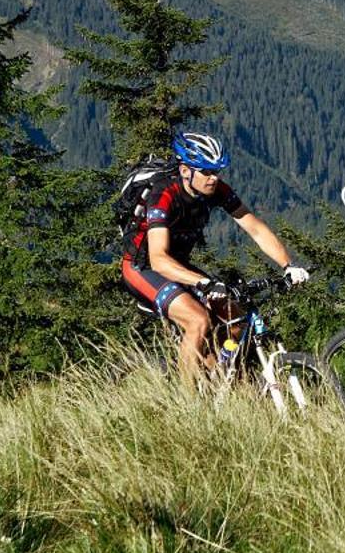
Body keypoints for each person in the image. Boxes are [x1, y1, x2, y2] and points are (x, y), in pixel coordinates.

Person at [121, 130, 310, 384]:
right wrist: (204, 283)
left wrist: (288, 265)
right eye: (206, 172)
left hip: (179, 265)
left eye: (217, 172)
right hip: (143, 268)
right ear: (186, 170)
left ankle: (221, 381)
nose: (213, 178)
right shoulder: (163, 195)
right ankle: (189, 407)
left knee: (235, 318)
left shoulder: (216, 190)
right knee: (197, 320)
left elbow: (254, 226)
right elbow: (158, 259)